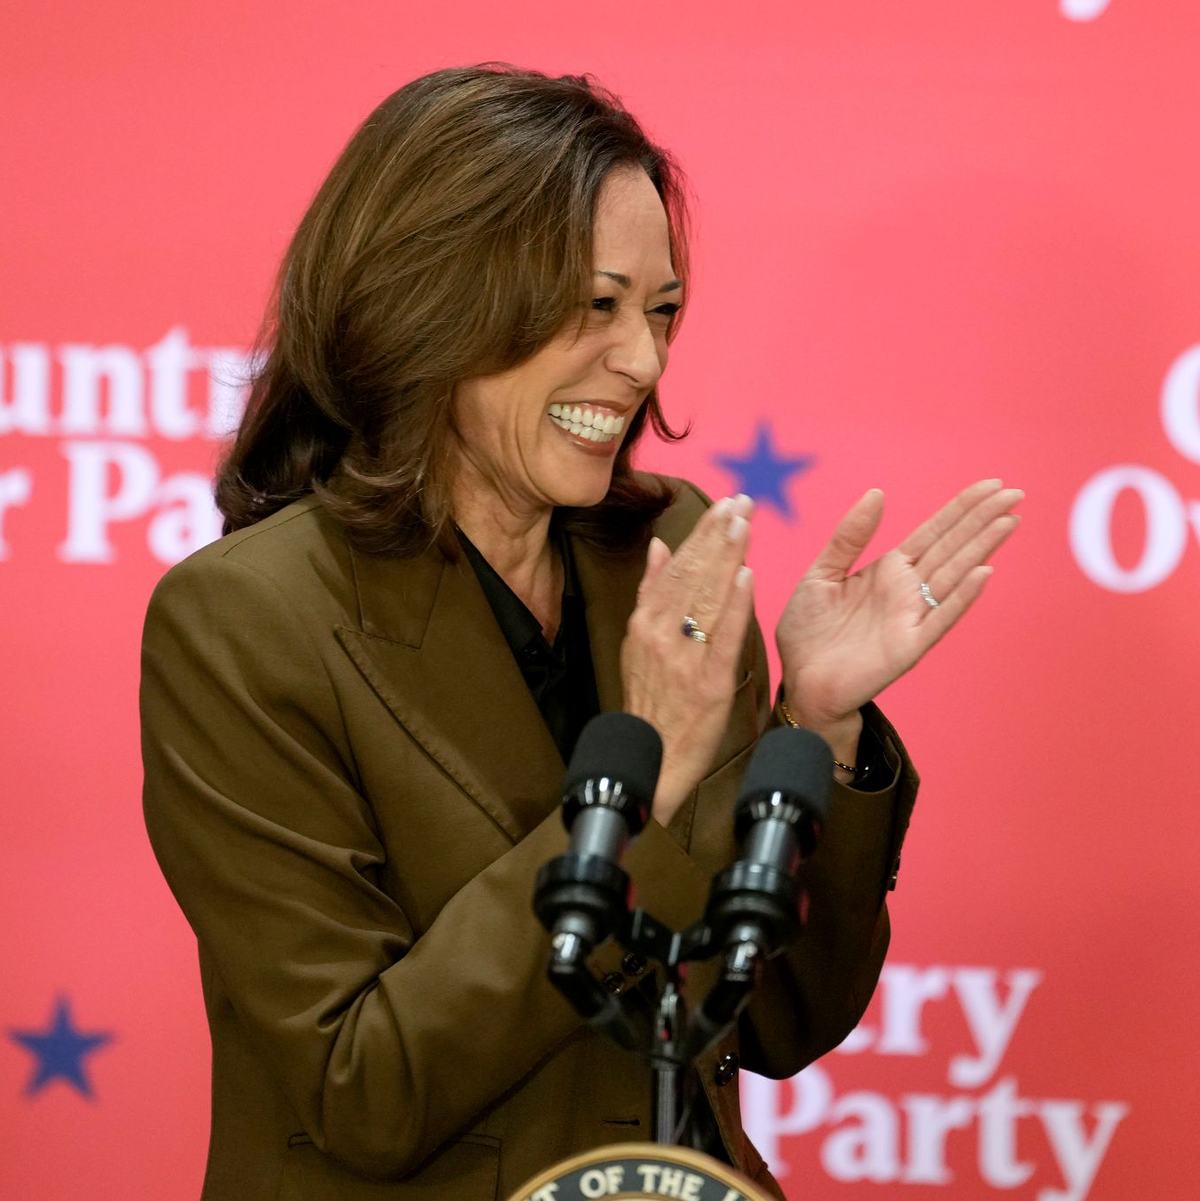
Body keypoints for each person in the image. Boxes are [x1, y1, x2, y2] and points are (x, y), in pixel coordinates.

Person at [140, 64, 1021, 1200]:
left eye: (660, 313)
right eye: (596, 306)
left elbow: (783, 1017)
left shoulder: (668, 553)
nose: (645, 362)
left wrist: (819, 721)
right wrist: (632, 800)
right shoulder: (246, 620)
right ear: (436, 295)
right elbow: (361, 1088)